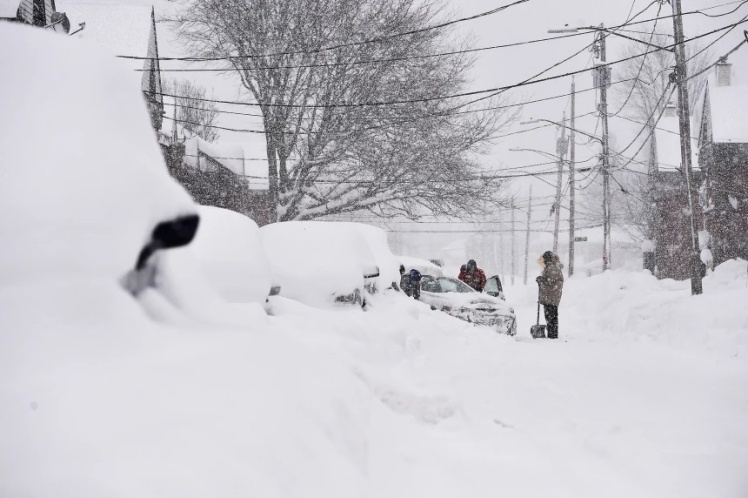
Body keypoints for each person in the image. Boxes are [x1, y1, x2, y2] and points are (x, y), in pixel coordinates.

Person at [536, 251, 564, 339]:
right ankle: (552, 334)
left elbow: (550, 281)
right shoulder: (551, 266)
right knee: (551, 316)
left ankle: (553, 335)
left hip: (551, 297)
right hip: (551, 297)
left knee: (551, 317)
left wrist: (542, 280)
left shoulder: (552, 267)